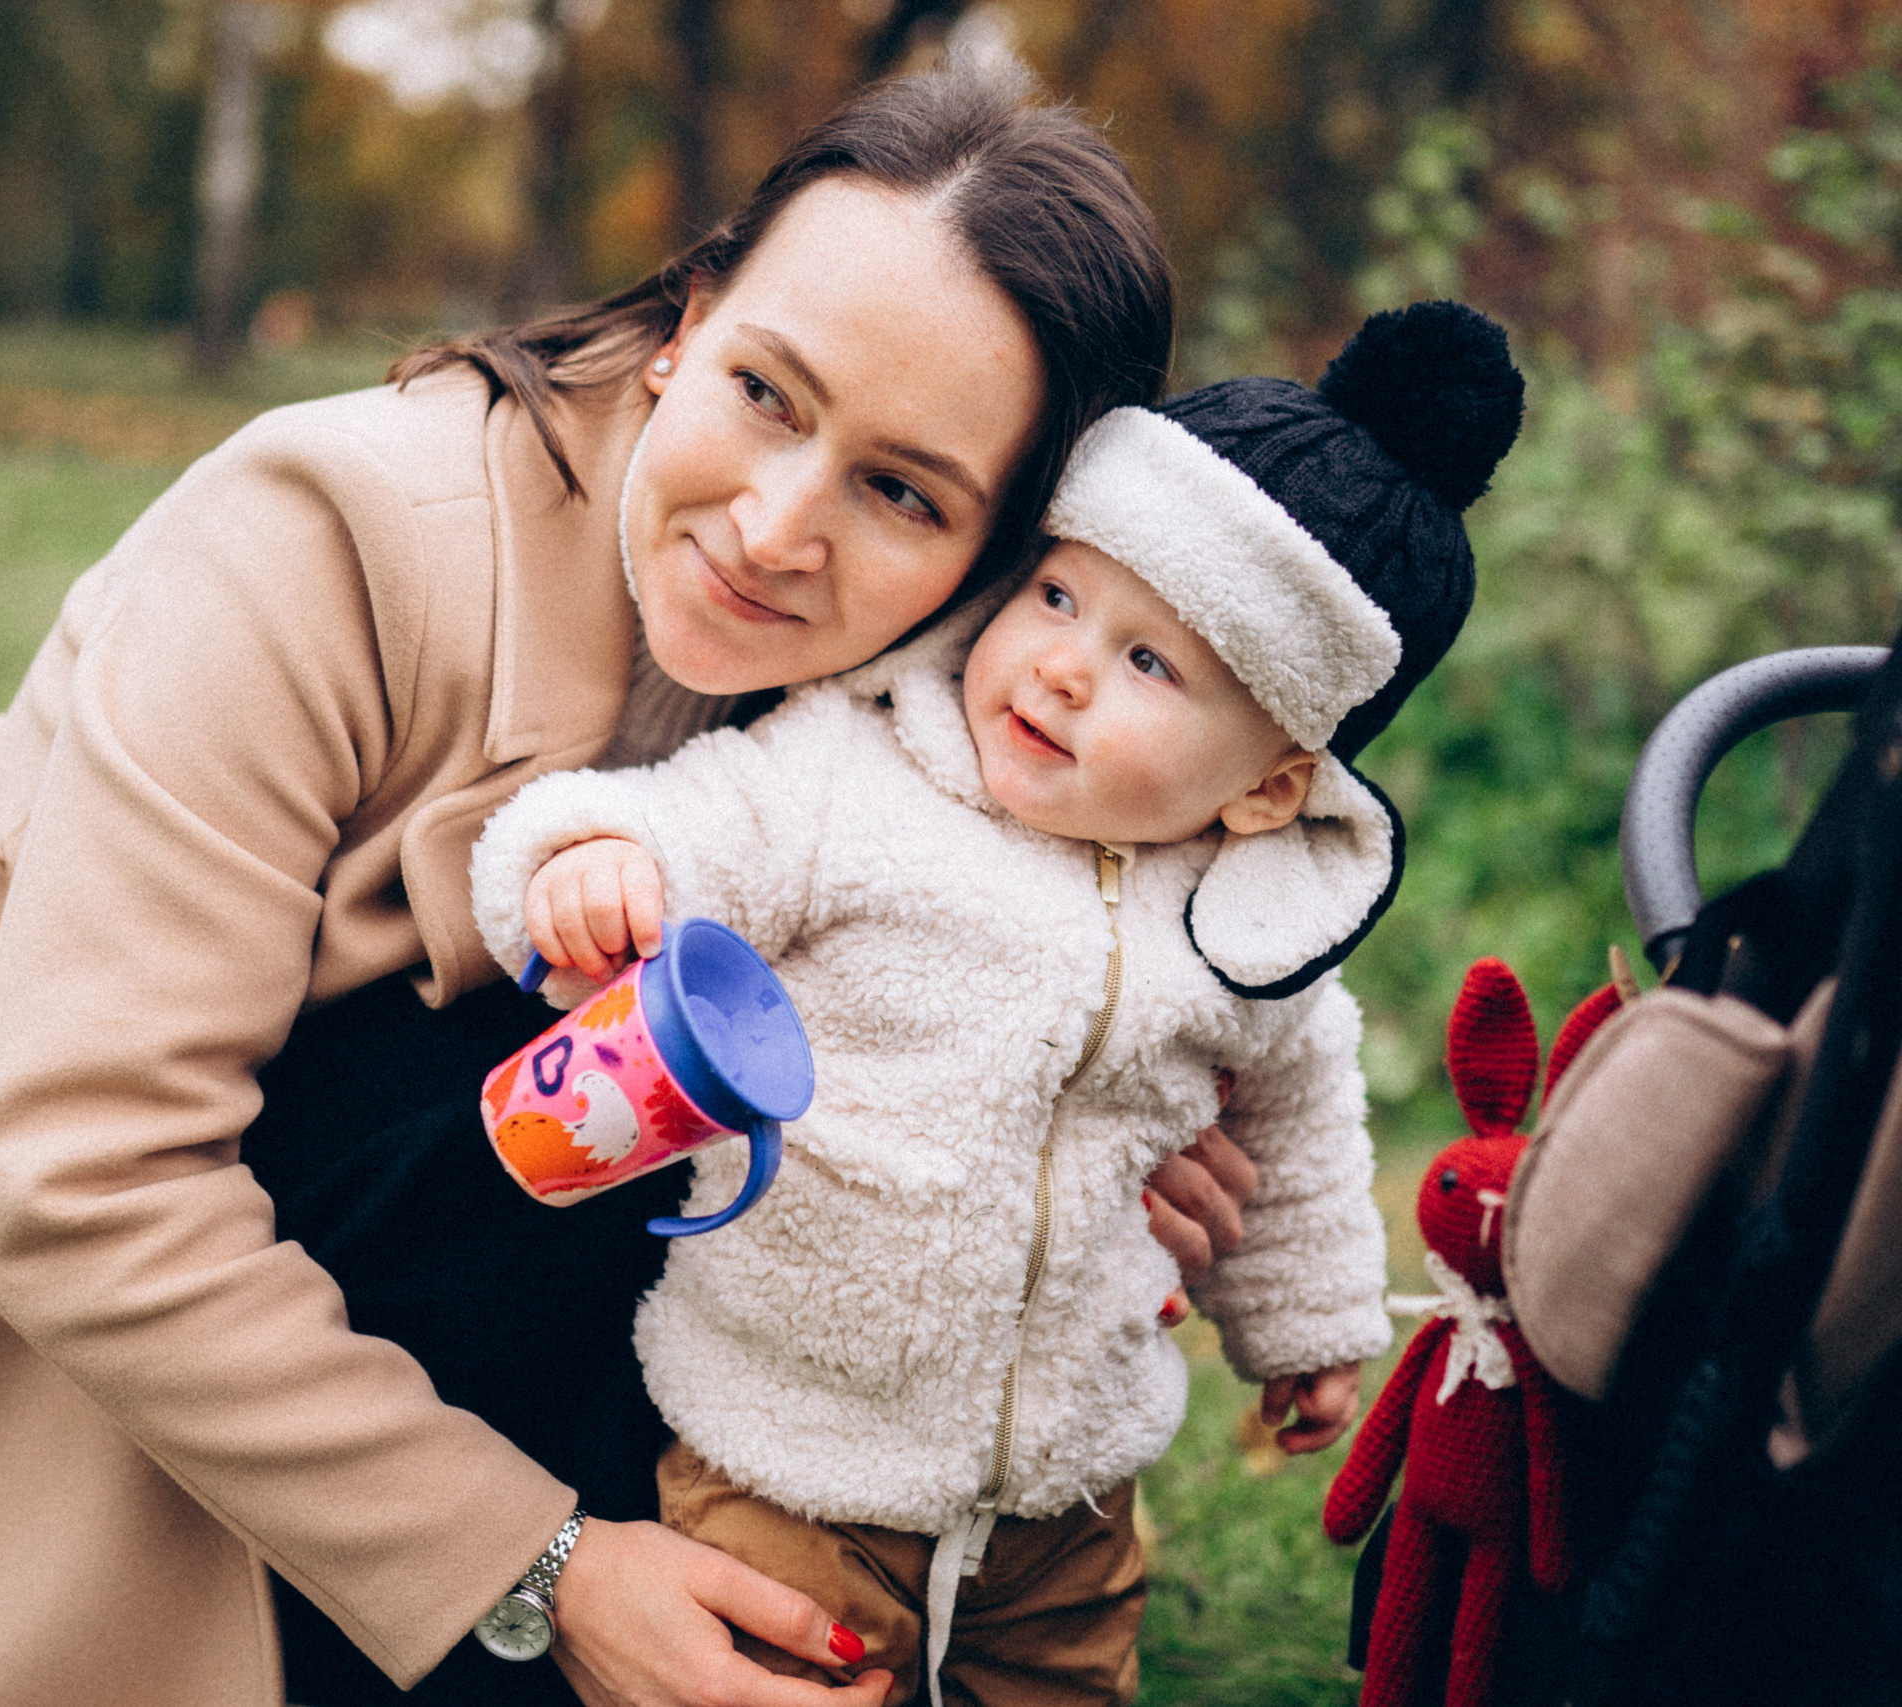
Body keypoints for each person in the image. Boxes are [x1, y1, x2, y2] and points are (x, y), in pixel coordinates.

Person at [0, 62, 1235, 1707]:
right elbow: (76, 1180)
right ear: (690, 319)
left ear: (999, 552)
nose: (776, 526)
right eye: (766, 393)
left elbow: (1031, 970)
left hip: (484, 1263)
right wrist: (543, 1565)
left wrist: (1083, 1126)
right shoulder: (324, 530)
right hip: (47, 1263)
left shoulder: (970, 698)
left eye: (901, 491)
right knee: (596, 1046)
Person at [469, 301, 1527, 1705]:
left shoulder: (1249, 931)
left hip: (1065, 1505)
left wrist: (1313, 1327)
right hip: (792, 1452)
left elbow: (1307, 1127)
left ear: (1272, 784)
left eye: (1152, 664)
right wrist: (593, 865)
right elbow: (695, 822)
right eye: (1059, 596)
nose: (1065, 663)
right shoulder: (858, 775)